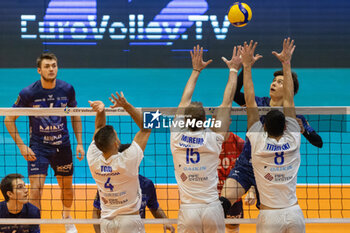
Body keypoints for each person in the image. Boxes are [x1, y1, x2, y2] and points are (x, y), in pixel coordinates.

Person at [222, 40, 323, 209]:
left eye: (280, 82)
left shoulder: (295, 117)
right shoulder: (259, 103)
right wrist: (246, 67)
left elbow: (318, 142)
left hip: (274, 172)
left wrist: (303, 130)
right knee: (223, 202)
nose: (274, 83)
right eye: (274, 81)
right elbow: (237, 95)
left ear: (290, 90)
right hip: (247, 164)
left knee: (270, 214)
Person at [4, 52, 85, 233]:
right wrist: (22, 146)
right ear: (39, 70)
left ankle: (67, 216)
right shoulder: (28, 93)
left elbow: (76, 115)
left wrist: (79, 142)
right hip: (39, 147)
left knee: (66, 187)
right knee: (36, 188)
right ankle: (34, 225)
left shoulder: (67, 89)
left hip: (62, 145)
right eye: (47, 66)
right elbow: (9, 119)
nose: (51, 69)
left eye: (54, 65)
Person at [170, 44, 242, 233]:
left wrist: (196, 70)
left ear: (185, 120)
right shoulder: (214, 137)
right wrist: (234, 70)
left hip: (189, 209)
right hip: (212, 207)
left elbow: (184, 101)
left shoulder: (176, 136)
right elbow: (226, 102)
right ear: (206, 121)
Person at [242, 38, 305, 232]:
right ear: (287, 125)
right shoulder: (293, 139)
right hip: (294, 213)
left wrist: (246, 66)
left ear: (265, 126)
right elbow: (289, 101)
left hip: (270, 217)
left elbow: (250, 101)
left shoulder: (258, 143)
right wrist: (286, 63)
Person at [87, 92, 151, 233]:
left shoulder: (93, 159)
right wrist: (126, 106)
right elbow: (147, 126)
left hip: (106, 221)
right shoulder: (127, 160)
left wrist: (101, 111)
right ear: (117, 143)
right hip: (129, 221)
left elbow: (98, 128)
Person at [91, 144, 175, 233]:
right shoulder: (107, 185)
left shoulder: (146, 185)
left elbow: (154, 207)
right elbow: (96, 213)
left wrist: (166, 221)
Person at [218, 133, 256, 233]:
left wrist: (252, 190)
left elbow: (251, 167)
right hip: (209, 195)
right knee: (208, 226)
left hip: (233, 194)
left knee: (232, 228)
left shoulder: (239, 143)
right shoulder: (206, 140)